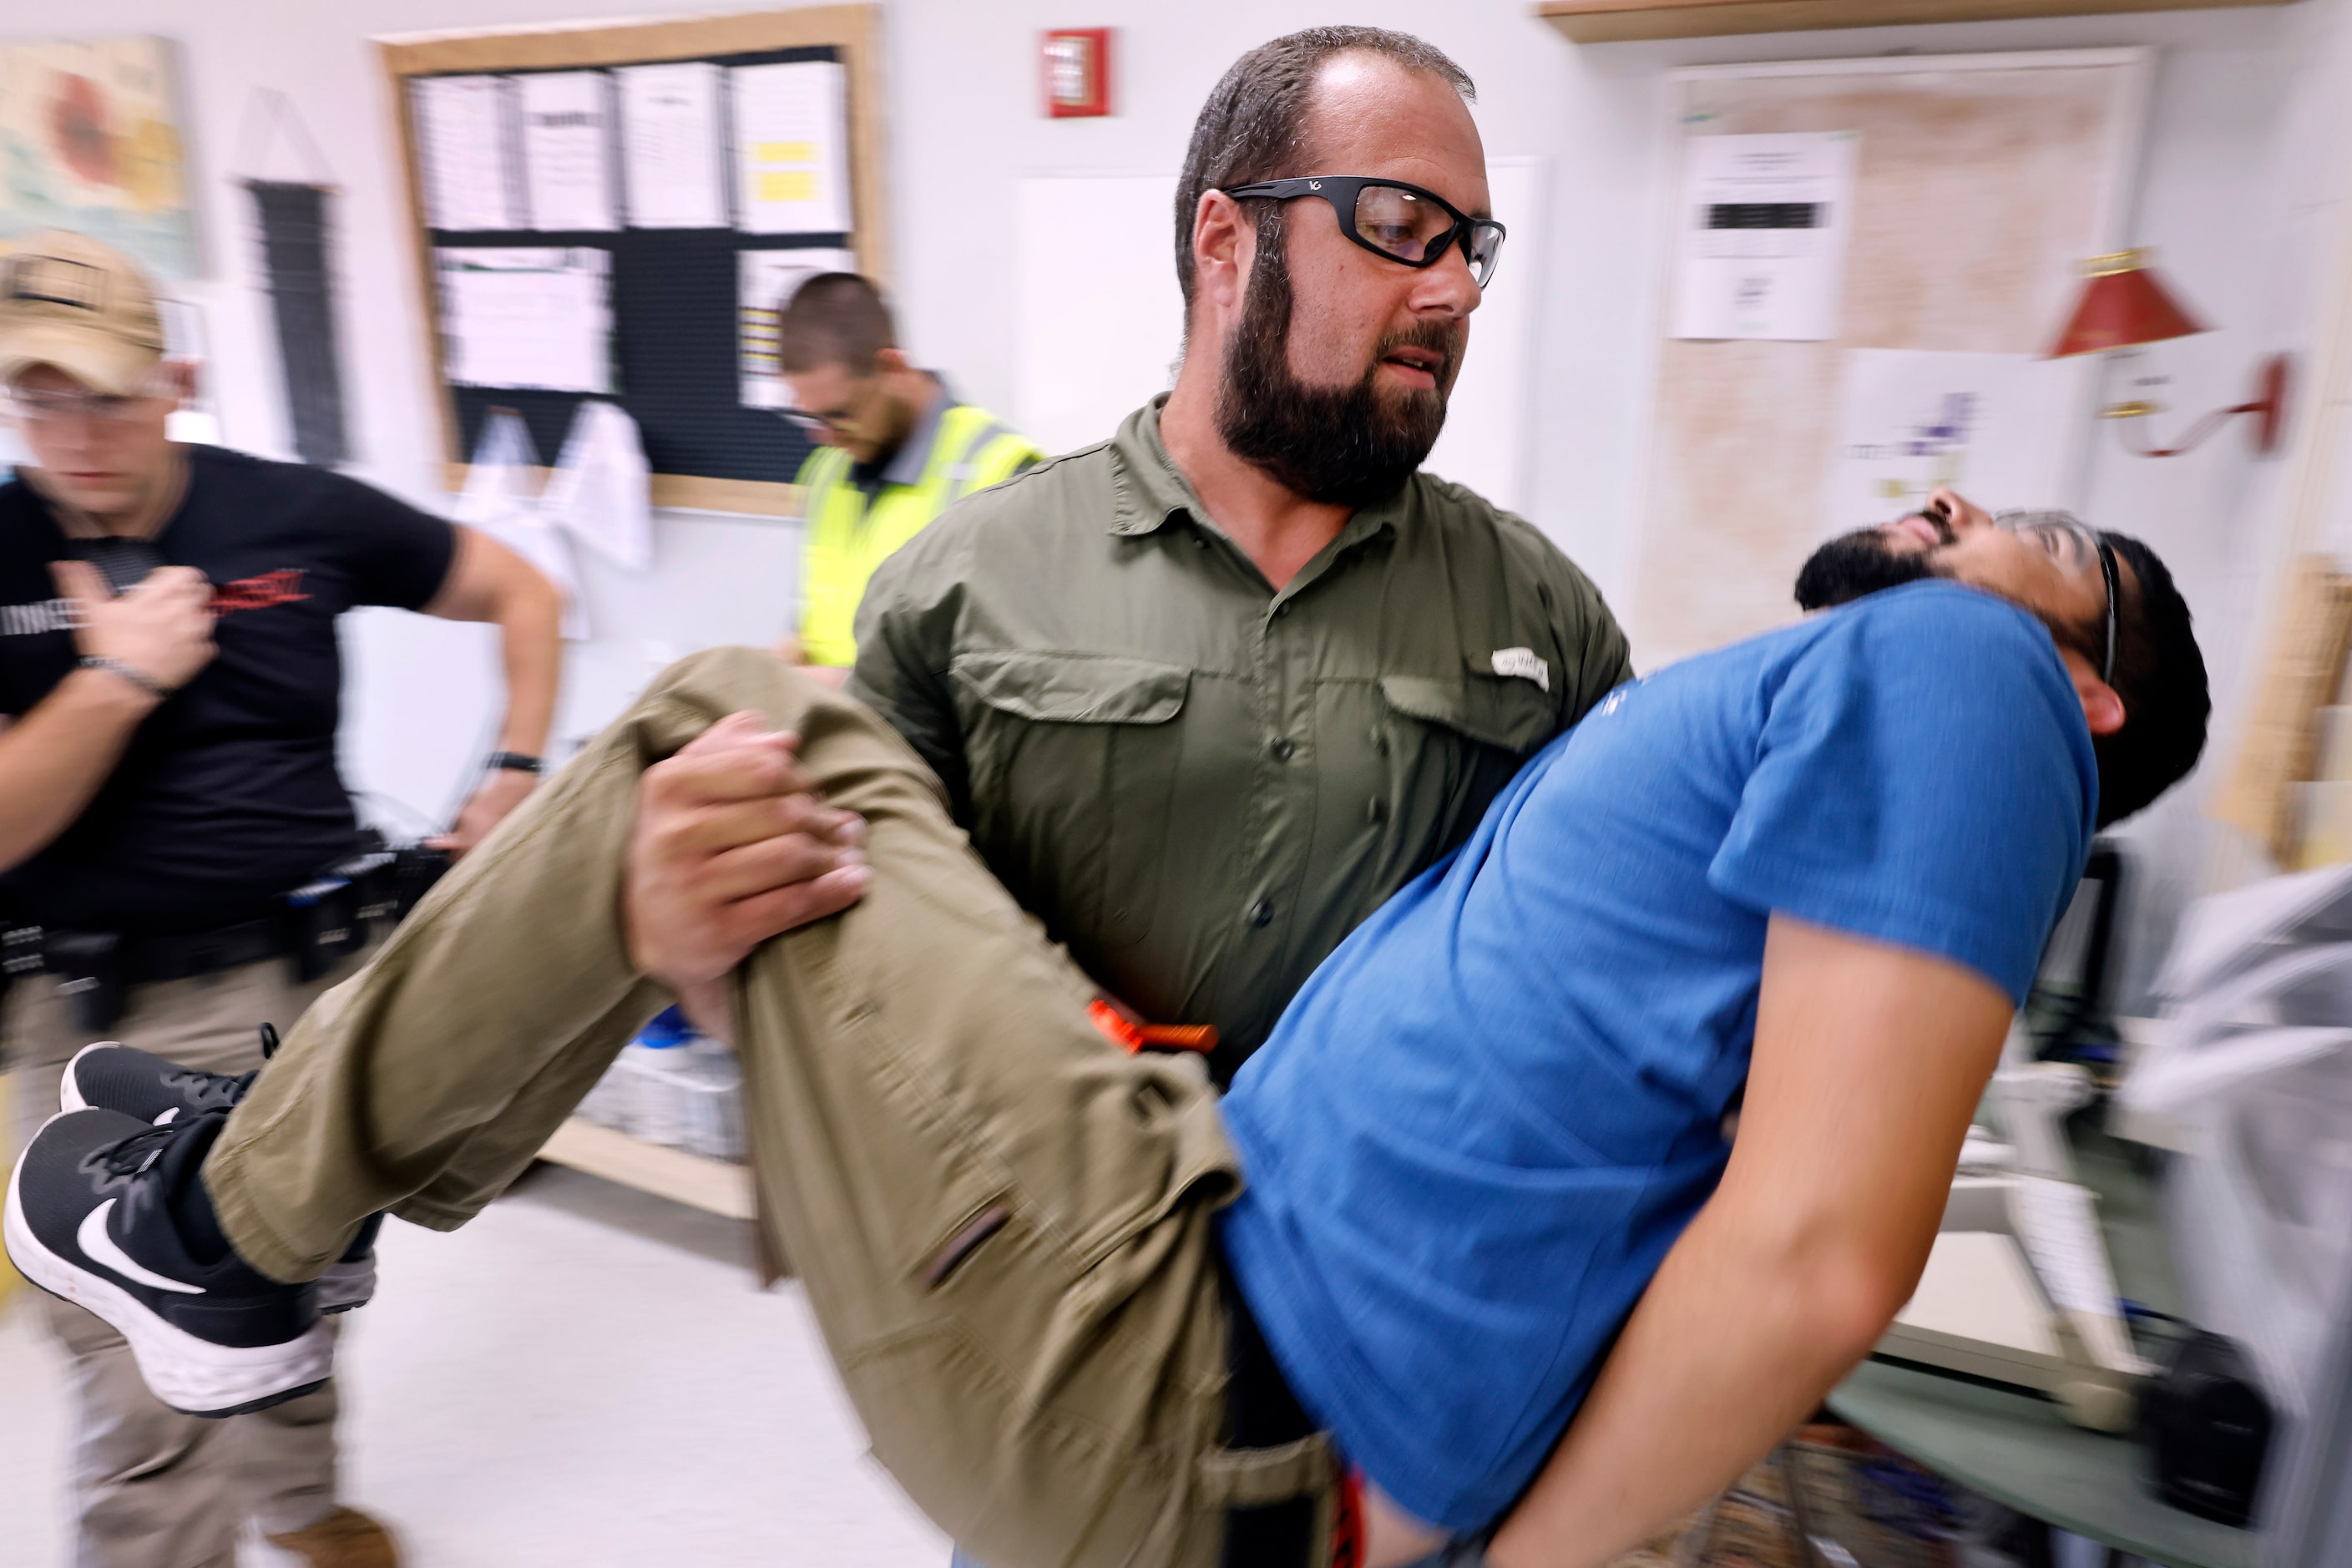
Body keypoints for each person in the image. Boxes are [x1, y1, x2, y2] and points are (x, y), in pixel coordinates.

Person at [6, 492, 2208, 1568]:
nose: (1951, 512)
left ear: (2083, 683)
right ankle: (276, 1166)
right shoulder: (1817, 724)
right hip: (1177, 1229)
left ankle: (245, 1212)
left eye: (2040, 536)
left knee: (726, 706)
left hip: (1196, 1351)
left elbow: (1822, 1252)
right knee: (753, 734)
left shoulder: (1964, 677)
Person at [826, 28, 1626, 1084]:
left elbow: (1626, 948)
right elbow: (845, 964)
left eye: (1469, 244)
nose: (1457, 292)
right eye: (1398, 225)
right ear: (1225, 244)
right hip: (1067, 1232)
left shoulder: (1541, 617)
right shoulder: (962, 586)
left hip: (1382, 1234)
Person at [0, 230, 563, 1568]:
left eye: (105, 394)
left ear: (174, 380)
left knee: (304, 1274)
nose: (72, 433)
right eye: (37, 397)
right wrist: (120, 677)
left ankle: (300, 1504)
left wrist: (519, 769)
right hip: (96, 1015)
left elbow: (520, 589)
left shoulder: (287, 510)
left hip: (309, 983)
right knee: (144, 1370)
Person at [776, 271, 1041, 675]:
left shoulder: (1002, 472)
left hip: (923, 737)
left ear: (893, 367)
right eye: (809, 418)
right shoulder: (826, 473)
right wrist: (776, 667)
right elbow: (820, 628)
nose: (825, 437)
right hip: (835, 729)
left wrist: (847, 690)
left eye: (840, 415)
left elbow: (1024, 670)